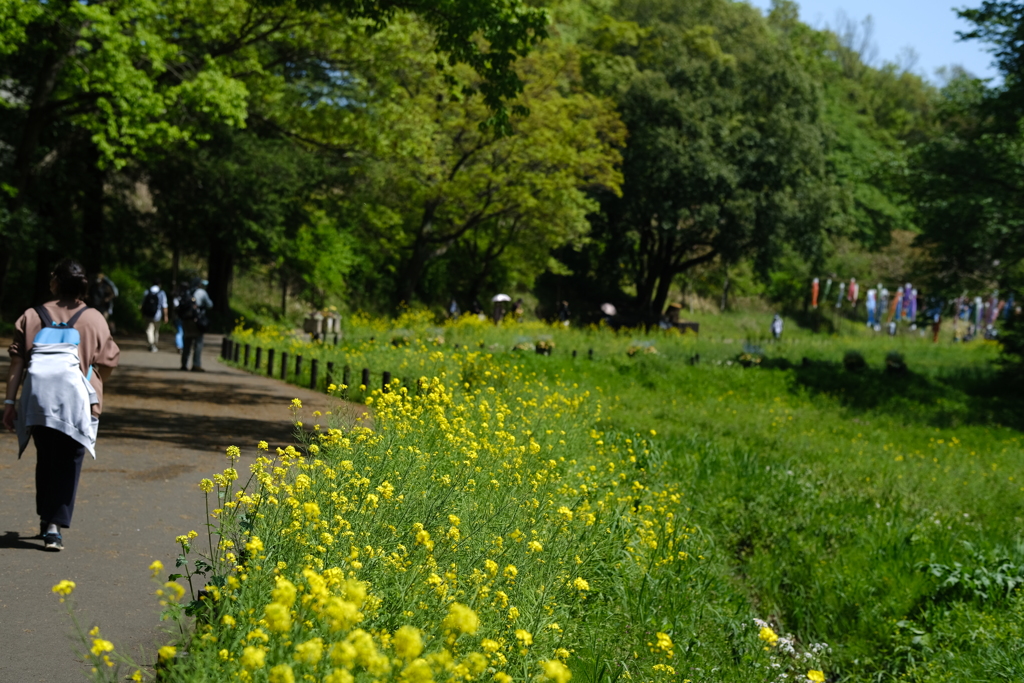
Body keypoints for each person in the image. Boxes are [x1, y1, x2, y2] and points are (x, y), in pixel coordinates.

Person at [3, 259, 119, 551]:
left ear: (54, 282)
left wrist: (9, 402)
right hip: (77, 403)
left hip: (38, 401)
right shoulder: (94, 318)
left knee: (47, 458)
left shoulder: (31, 316)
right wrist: (92, 381)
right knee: (70, 460)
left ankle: (46, 520)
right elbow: (107, 362)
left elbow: (17, 362)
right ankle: (55, 526)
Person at [179, 278, 213, 372]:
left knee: (187, 343)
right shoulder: (202, 292)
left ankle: (184, 364)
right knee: (198, 344)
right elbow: (210, 304)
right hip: (197, 321)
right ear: (199, 284)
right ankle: (196, 365)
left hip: (186, 321)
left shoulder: (187, 292)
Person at [142, 280, 169, 353]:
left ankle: (151, 343)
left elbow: (143, 303)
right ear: (159, 284)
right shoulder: (161, 293)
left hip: (148, 314)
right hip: (158, 314)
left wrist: (143, 314)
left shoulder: (147, 291)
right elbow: (164, 305)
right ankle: (154, 344)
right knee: (156, 330)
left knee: (149, 329)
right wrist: (166, 316)